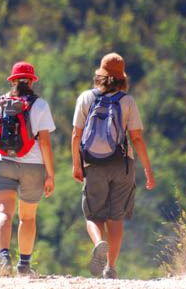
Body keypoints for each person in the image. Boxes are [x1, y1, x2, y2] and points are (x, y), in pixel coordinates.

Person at [71, 52, 155, 279]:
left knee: (93, 215)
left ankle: (99, 242)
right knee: (115, 218)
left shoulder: (86, 98)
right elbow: (136, 138)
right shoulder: (127, 101)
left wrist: (76, 165)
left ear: (100, 75)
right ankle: (110, 268)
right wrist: (147, 168)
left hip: (93, 163)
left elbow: (76, 134)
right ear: (122, 78)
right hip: (122, 163)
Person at [0, 61, 55, 276]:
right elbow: (45, 143)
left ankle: (4, 256)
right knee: (27, 217)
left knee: (3, 211)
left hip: (2, 164)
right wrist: (50, 174)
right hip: (33, 167)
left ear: (12, 81)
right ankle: (24, 265)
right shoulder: (40, 105)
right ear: (32, 82)